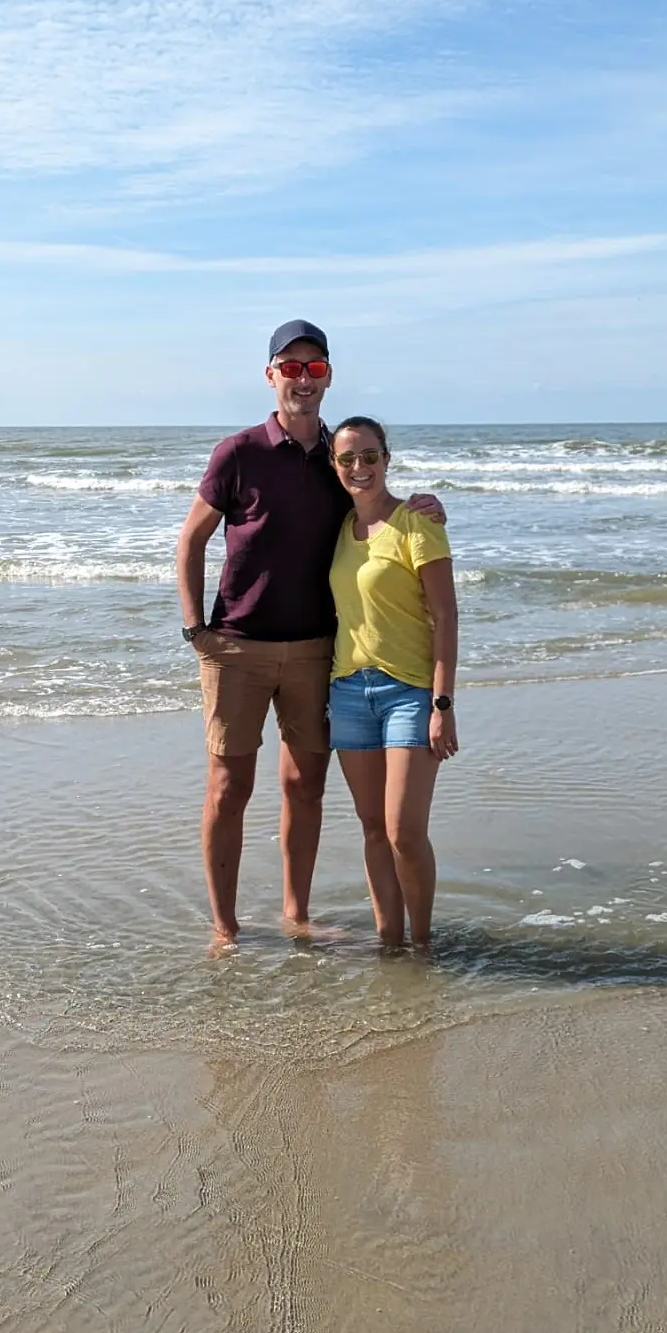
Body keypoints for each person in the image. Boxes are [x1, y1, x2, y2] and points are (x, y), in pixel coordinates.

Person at [175, 321, 444, 950]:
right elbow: (191, 541)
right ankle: (226, 927)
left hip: (319, 653)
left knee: (304, 784)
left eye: (314, 368)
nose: (302, 379)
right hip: (236, 645)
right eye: (290, 367)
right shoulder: (238, 452)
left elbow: (373, 501)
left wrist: (422, 504)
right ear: (270, 375)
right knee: (228, 786)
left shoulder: (336, 455)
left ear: (328, 377)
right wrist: (196, 629)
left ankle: (296, 914)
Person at [326, 416, 459, 951]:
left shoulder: (418, 522)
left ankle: (422, 945)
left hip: (408, 692)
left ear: (387, 458)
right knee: (373, 829)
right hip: (348, 693)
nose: (360, 468)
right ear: (335, 466)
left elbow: (447, 616)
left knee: (404, 829)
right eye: (347, 459)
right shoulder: (339, 529)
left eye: (370, 456)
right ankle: (389, 944)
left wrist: (442, 703)